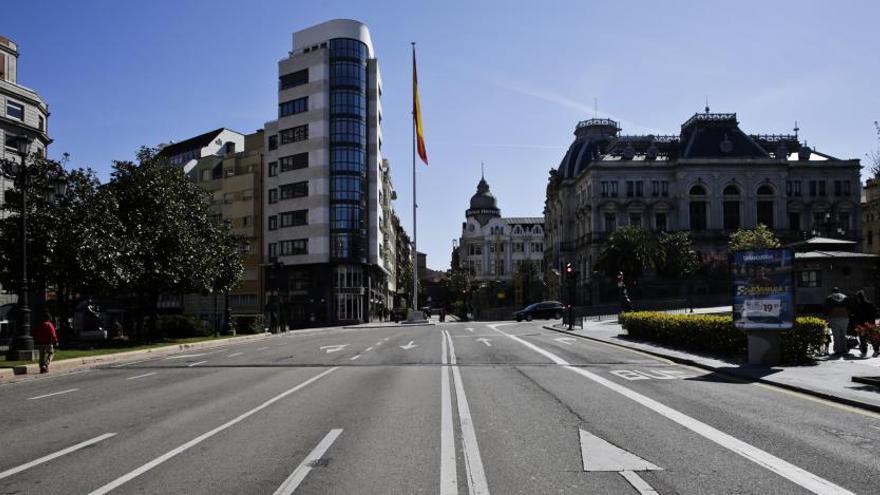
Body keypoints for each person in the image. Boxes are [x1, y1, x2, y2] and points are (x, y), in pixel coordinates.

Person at [824, 287, 850, 356]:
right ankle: (845, 349)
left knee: (836, 335)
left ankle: (838, 350)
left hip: (834, 317)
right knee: (843, 334)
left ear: (832, 292)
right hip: (845, 317)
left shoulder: (829, 297)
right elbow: (849, 307)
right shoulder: (845, 297)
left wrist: (826, 317)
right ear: (839, 291)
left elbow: (827, 309)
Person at [852, 290, 879, 357]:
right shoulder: (870, 303)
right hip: (870, 324)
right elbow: (874, 312)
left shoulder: (858, 305)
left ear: (859, 298)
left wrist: (856, 323)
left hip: (861, 324)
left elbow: (856, 315)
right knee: (872, 338)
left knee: (862, 338)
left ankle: (864, 352)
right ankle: (876, 351)